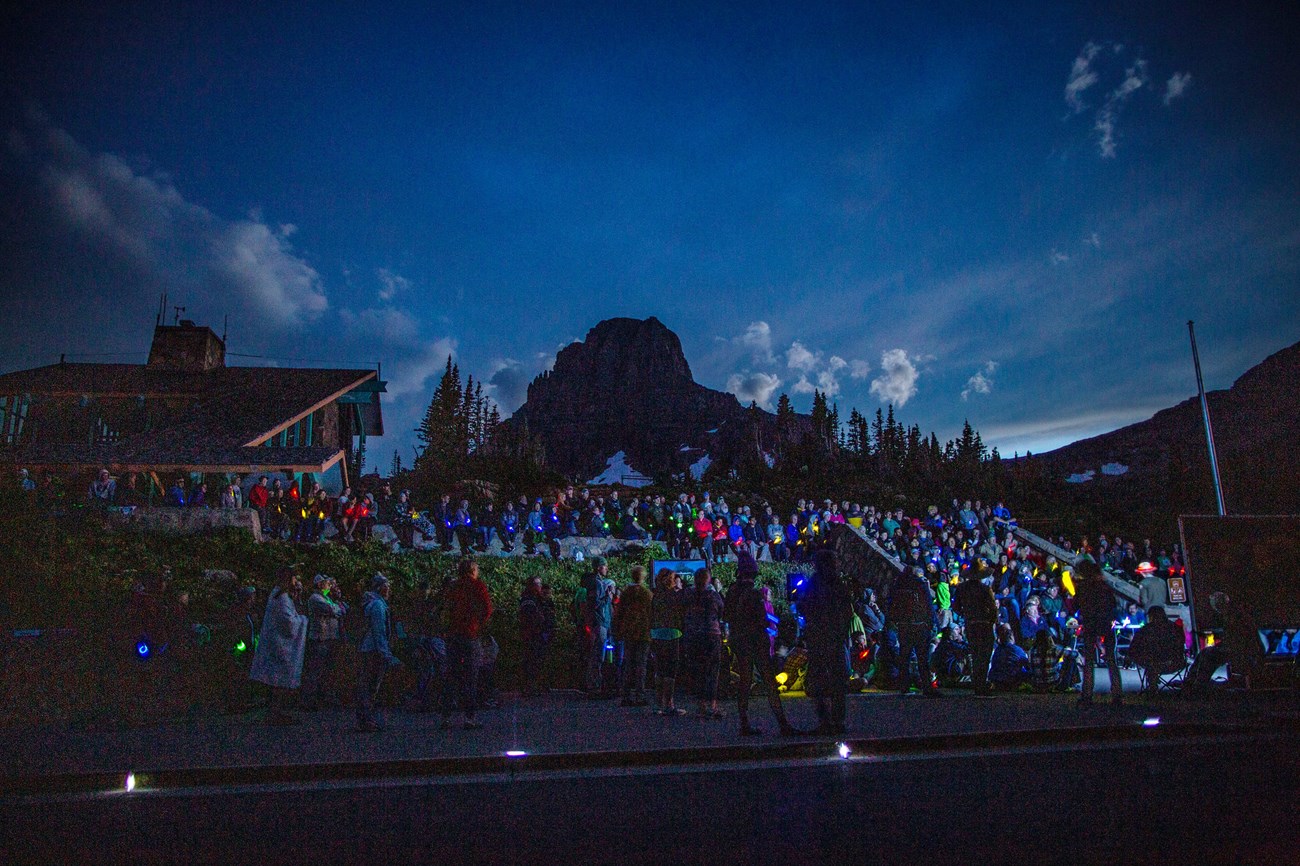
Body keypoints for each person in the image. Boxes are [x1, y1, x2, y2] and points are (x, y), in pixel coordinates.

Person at [725, 550, 796, 736]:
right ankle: (783, 723)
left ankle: (744, 722)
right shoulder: (754, 594)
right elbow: (761, 620)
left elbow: (725, 615)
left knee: (745, 681)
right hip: (756, 642)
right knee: (769, 682)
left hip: (739, 641)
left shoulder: (732, 591)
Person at [248, 567, 308, 725]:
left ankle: (276, 711)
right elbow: (288, 623)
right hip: (281, 645)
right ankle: (275, 712)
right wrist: (302, 620)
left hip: (278, 643)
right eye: (294, 578)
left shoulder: (280, 596)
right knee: (279, 680)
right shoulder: (281, 598)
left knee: (277, 680)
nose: (296, 582)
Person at [442, 557, 494, 730]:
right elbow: (487, 608)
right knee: (471, 676)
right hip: (470, 635)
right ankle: (469, 718)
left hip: (453, 634)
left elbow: (447, 608)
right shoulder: (478, 586)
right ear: (473, 570)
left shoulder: (454, 587)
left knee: (451, 676)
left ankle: (446, 717)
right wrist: (477, 623)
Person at [1074, 559, 1123, 706]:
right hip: (1106, 624)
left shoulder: (1083, 587)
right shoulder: (1105, 587)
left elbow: (1080, 605)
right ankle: (1117, 694)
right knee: (1111, 660)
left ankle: (1087, 694)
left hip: (1091, 624)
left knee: (1089, 661)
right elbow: (1113, 604)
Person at [356, 573, 400, 732]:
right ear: (380, 588)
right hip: (373, 650)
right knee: (370, 685)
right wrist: (385, 653)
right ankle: (366, 719)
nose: (389, 590)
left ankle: (366, 718)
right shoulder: (378, 606)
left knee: (368, 684)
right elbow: (379, 632)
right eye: (387, 587)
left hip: (370, 649)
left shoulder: (375, 604)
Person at [300, 574, 348, 710]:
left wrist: (337, 609)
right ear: (320, 584)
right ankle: (308, 700)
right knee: (315, 671)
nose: (330, 585)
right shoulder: (315, 599)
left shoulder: (325, 598)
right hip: (320, 639)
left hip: (329, 639)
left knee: (326, 670)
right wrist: (336, 609)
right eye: (327, 583)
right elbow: (335, 610)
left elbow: (340, 610)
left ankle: (321, 698)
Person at [891, 566, 940, 697]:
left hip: (904, 626)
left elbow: (892, 605)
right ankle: (927, 687)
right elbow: (928, 605)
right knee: (922, 658)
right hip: (919, 625)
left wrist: (895, 621)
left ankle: (904, 686)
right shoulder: (920, 585)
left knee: (904, 657)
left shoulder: (898, 586)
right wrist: (931, 623)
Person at [683, 567, 726, 718]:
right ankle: (712, 705)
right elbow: (722, 612)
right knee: (712, 671)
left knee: (698, 670)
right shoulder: (713, 595)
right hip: (711, 635)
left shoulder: (688, 594)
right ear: (708, 579)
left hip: (694, 635)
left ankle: (701, 705)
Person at [614, 566, 653, 707]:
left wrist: (618, 630)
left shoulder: (626, 593)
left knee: (629, 664)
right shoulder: (646, 593)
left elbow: (619, 613)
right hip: (643, 632)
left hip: (629, 632)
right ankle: (639, 694)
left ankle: (626, 695)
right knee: (641, 665)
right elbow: (651, 613)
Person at [650, 568, 687, 716]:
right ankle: (669, 703)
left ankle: (658, 703)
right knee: (671, 670)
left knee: (660, 670)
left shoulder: (655, 595)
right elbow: (680, 615)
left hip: (657, 633)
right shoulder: (674, 596)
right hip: (672, 633)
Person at [953, 574, 998, 696]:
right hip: (984, 624)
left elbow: (956, 606)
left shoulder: (962, 588)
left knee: (975, 654)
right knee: (984, 655)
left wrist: (966, 614)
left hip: (971, 624)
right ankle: (981, 684)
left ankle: (977, 684)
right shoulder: (984, 588)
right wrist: (991, 620)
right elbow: (993, 608)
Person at [1128, 606, 1187, 695]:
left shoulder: (1145, 630)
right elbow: (1182, 643)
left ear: (1151, 616)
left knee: (1150, 659)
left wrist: (1129, 657)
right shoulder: (1175, 628)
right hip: (1176, 663)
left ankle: (1153, 687)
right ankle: (1153, 683)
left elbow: (1134, 646)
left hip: (1152, 664)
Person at [582, 557, 617, 696]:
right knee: (597, 654)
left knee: (603, 653)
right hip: (600, 622)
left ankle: (600, 683)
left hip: (604, 621)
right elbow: (595, 604)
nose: (606, 568)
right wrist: (607, 596)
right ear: (598, 568)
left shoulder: (599, 582)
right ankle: (594, 686)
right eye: (604, 566)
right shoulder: (596, 584)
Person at [518, 575, 555, 696]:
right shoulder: (529, 600)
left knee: (537, 660)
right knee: (532, 660)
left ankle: (536, 685)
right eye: (538, 584)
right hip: (532, 634)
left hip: (538, 634)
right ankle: (529, 687)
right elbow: (530, 617)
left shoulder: (538, 599)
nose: (540, 586)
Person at [988, 624, 1031, 690]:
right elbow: (1026, 665)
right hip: (1011, 679)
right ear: (1011, 637)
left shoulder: (998, 650)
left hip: (996, 679)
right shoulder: (1017, 650)